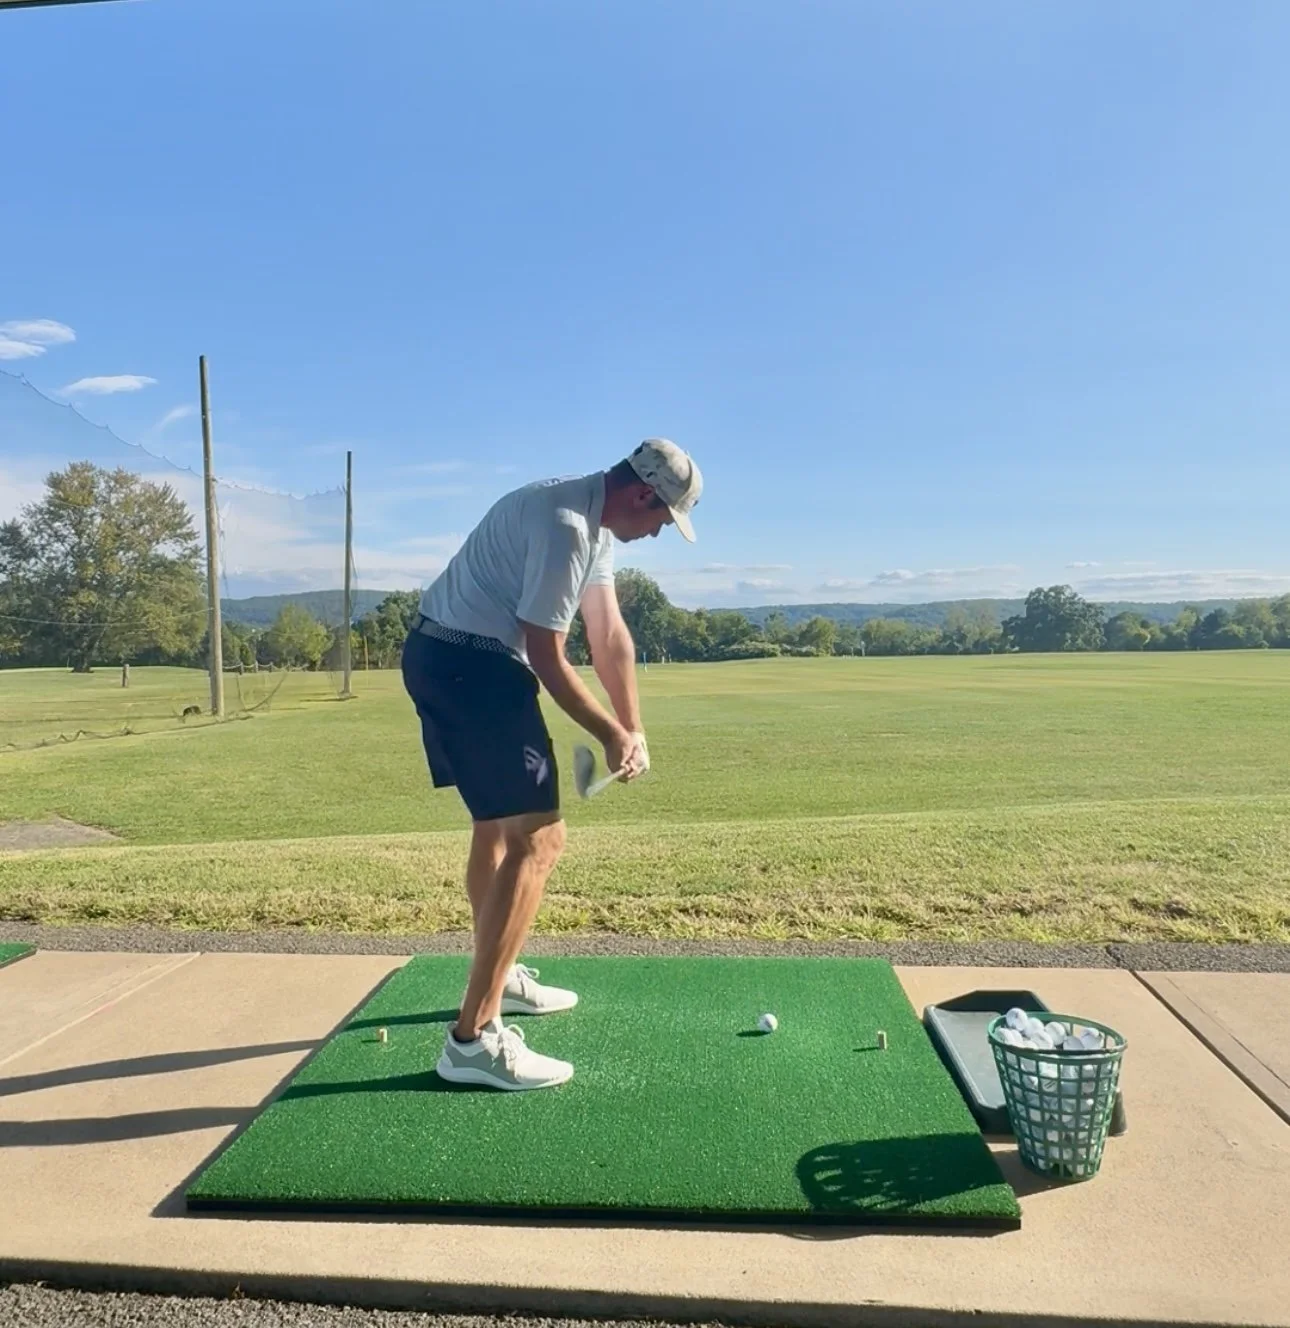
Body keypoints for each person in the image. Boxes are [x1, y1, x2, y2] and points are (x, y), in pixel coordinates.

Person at [402, 438, 703, 1090]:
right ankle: (472, 1040)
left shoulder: (591, 521)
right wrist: (608, 735)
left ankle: (497, 975)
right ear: (641, 494)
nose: (656, 533)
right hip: (473, 668)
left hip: (444, 656)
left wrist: (634, 728)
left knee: (497, 829)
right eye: (662, 519)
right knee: (541, 838)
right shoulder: (568, 527)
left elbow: (609, 633)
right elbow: (547, 653)